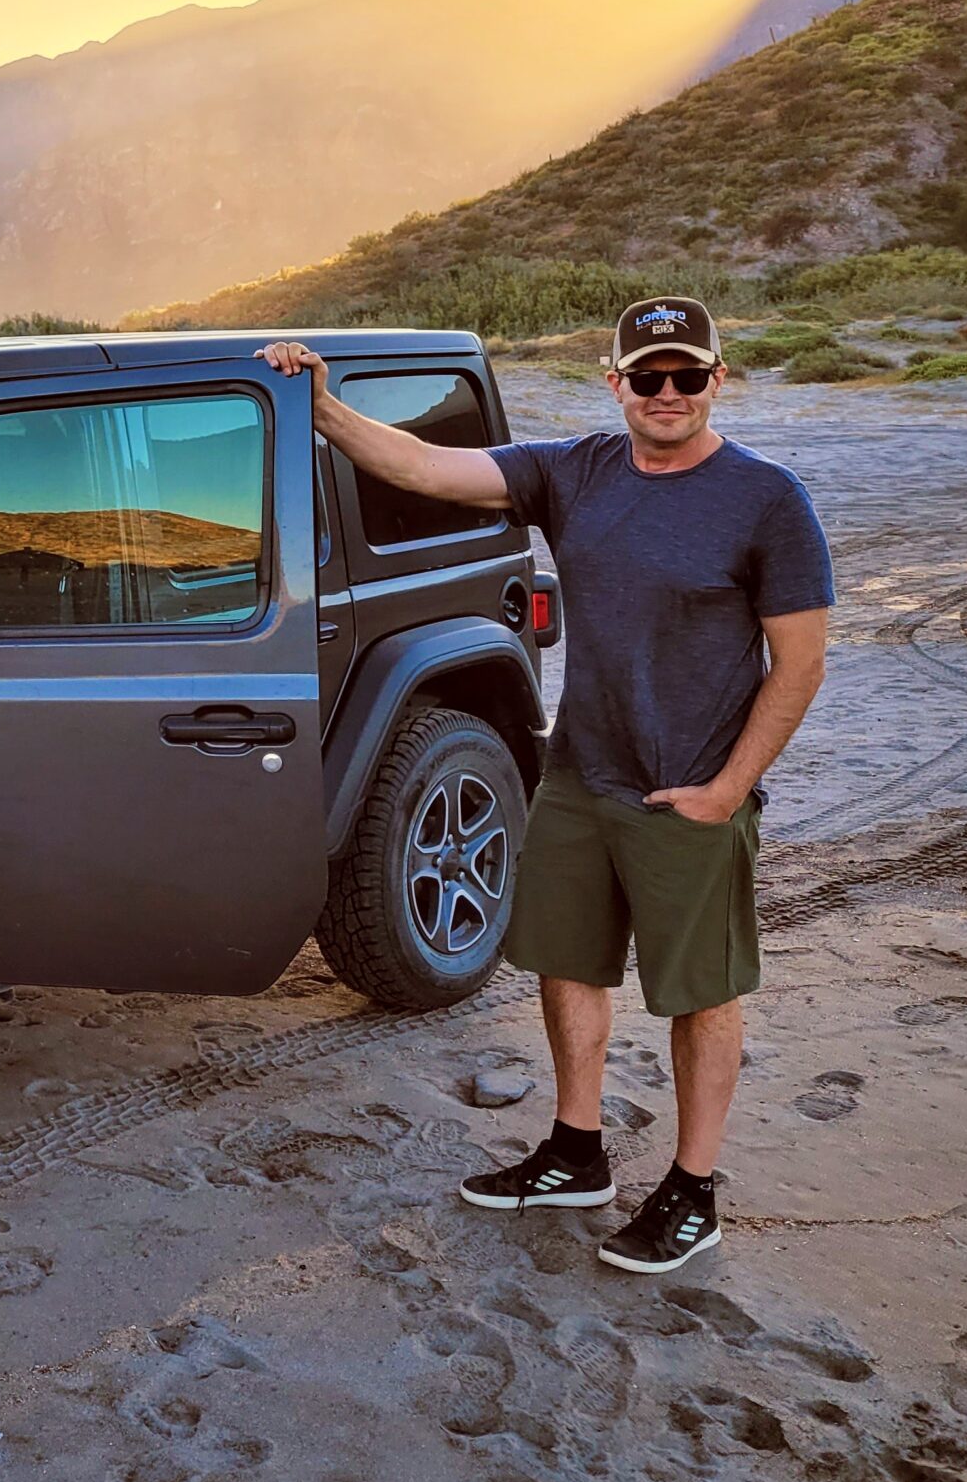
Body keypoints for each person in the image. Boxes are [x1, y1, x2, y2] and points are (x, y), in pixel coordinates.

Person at [261, 297, 831, 1274]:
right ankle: (576, 1149)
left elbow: (799, 662)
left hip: (688, 790)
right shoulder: (573, 470)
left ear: (715, 380)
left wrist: (729, 786)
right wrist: (324, 407)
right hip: (576, 775)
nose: (665, 393)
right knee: (564, 960)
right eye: (644, 377)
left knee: (700, 992)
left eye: (684, 376)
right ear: (613, 382)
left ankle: (692, 1189)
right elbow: (427, 466)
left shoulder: (765, 499)